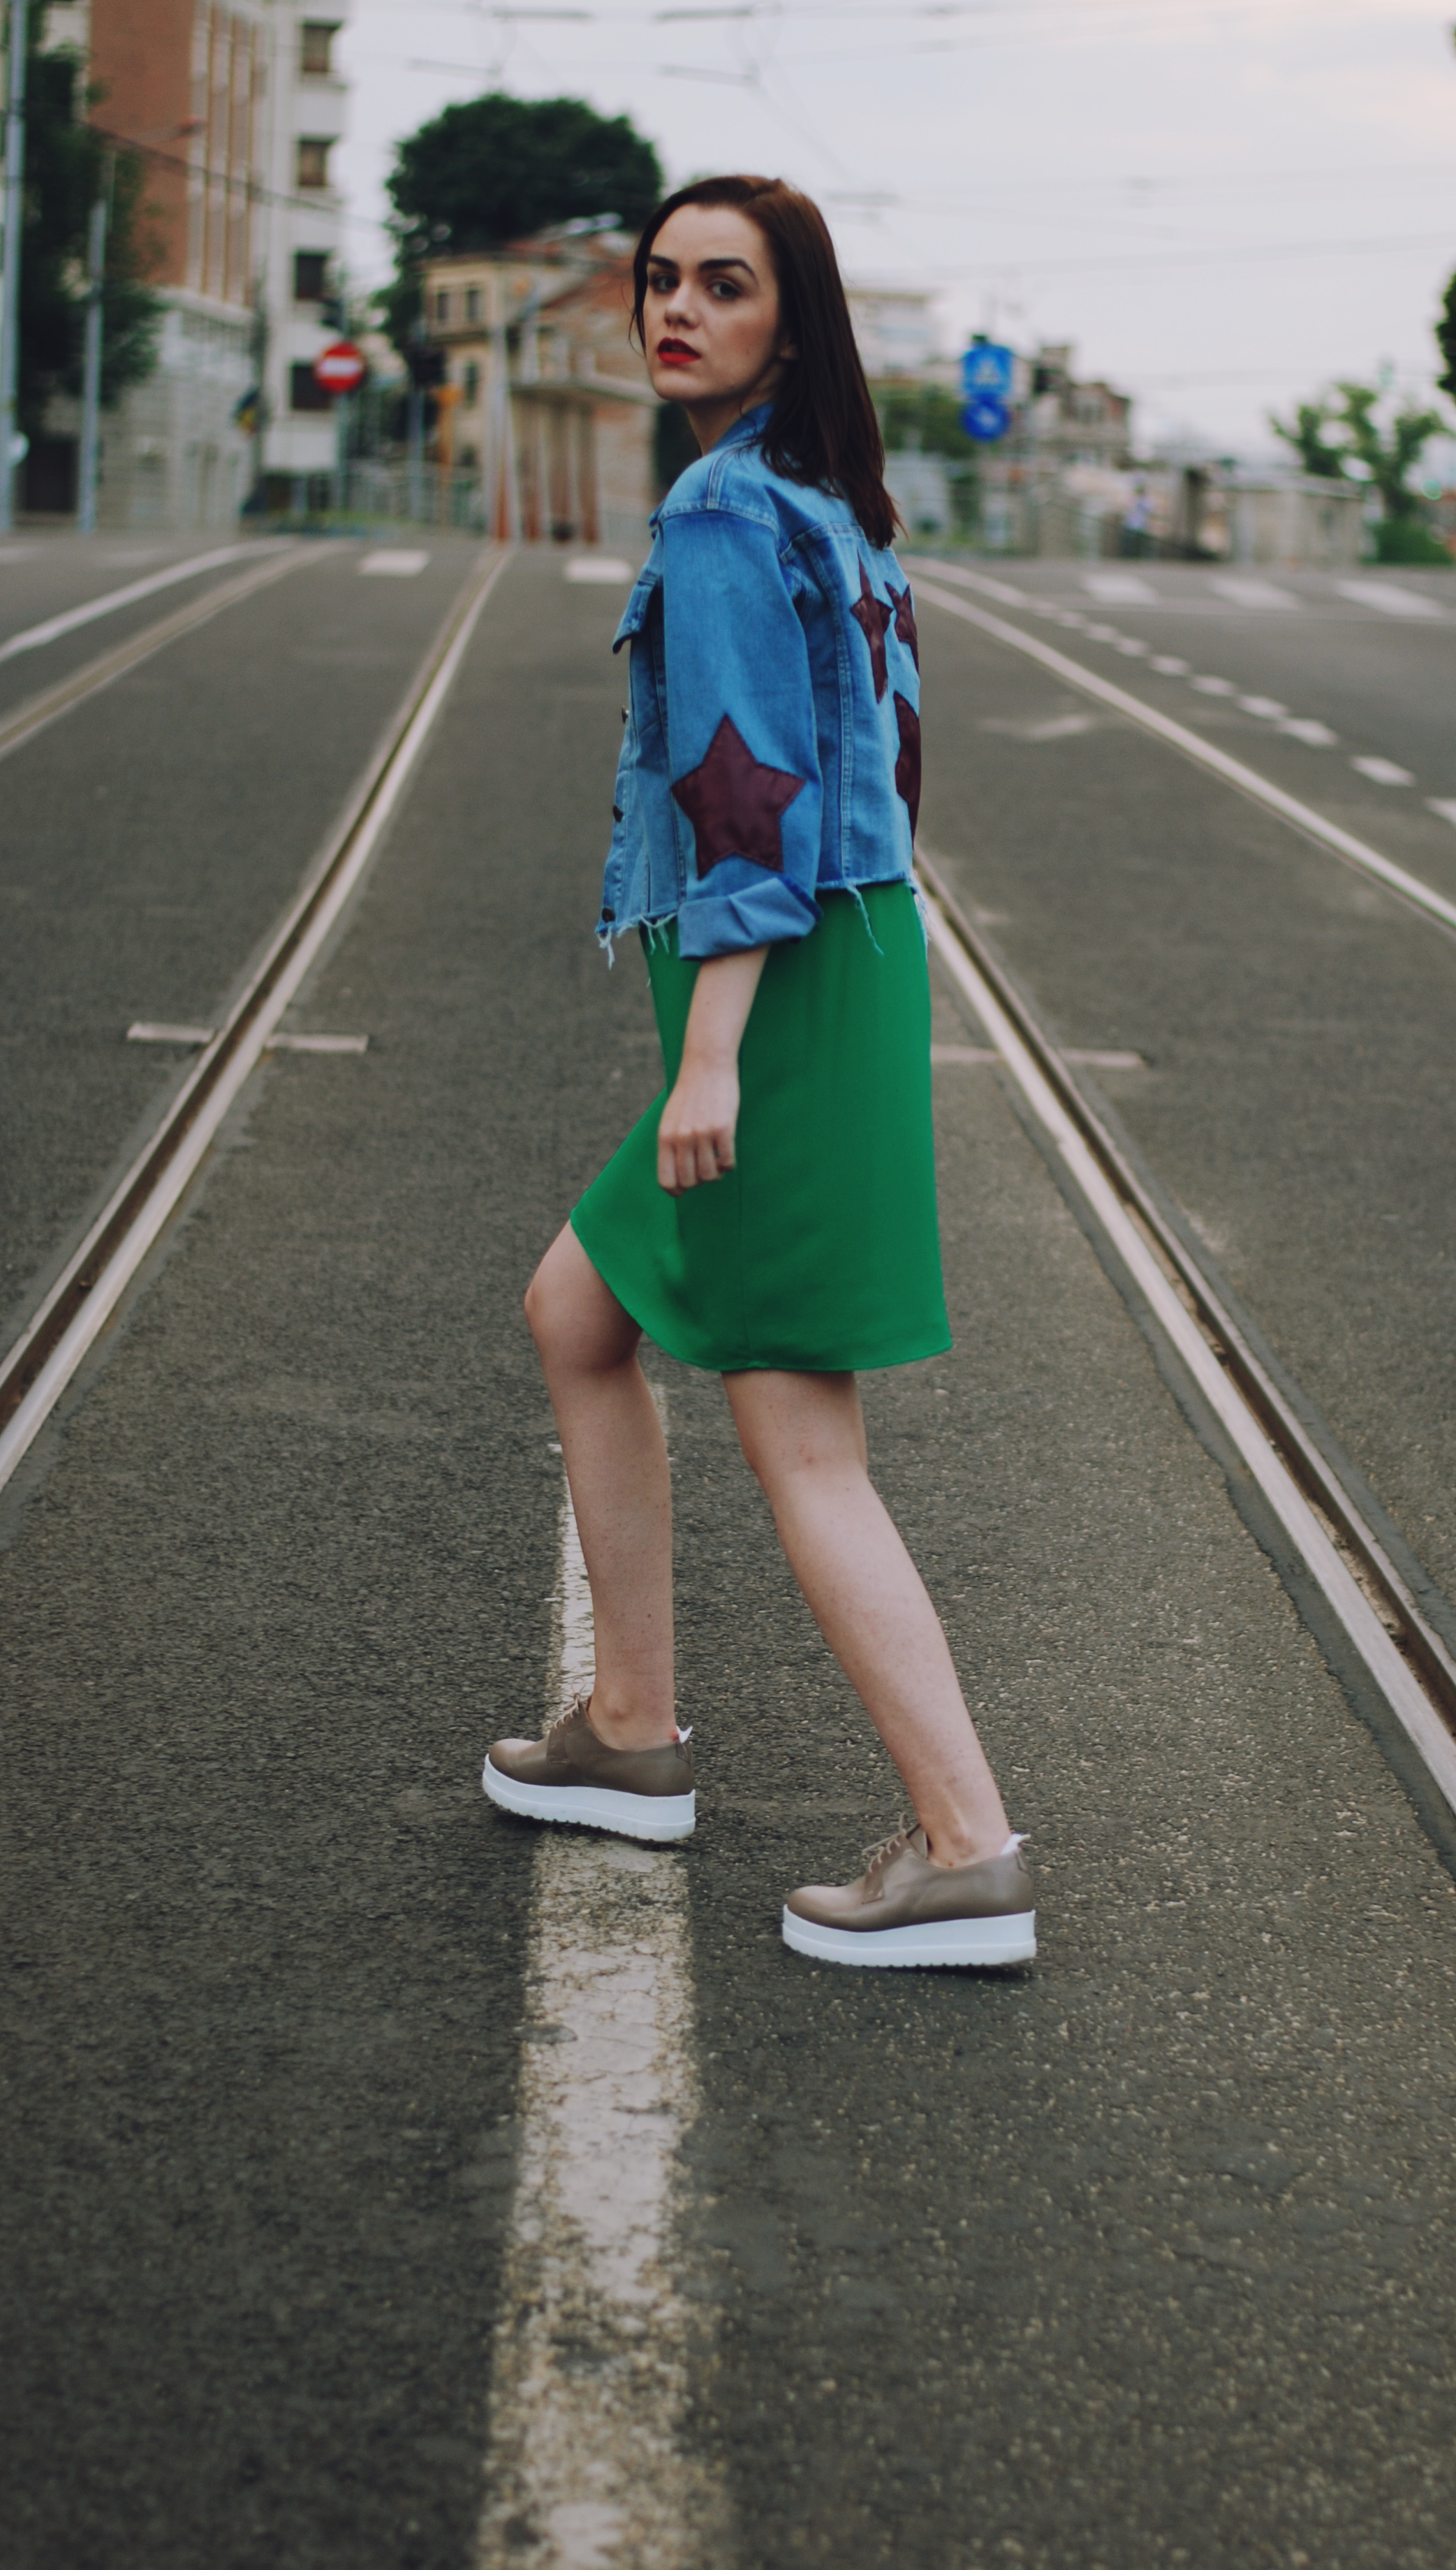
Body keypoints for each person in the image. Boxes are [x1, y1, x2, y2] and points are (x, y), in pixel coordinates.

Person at [482, 175, 1033, 1971]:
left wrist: (711, 1058)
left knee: (803, 1438)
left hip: (777, 993)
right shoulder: (830, 505)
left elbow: (746, 802)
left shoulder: (730, 515)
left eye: (724, 285)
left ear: (792, 321)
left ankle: (965, 1845)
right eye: (660, 281)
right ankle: (629, 1730)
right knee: (581, 1309)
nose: (678, 308)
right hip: (841, 970)